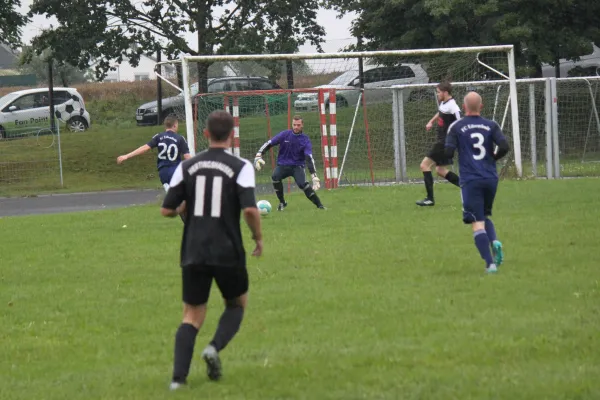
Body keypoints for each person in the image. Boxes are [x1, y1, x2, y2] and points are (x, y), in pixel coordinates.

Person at [161, 110, 263, 390]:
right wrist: (258, 238)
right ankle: (214, 348)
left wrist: (185, 206)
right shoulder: (241, 166)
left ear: (205, 134)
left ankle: (178, 381)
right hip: (228, 250)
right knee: (236, 305)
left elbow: (167, 209)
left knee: (192, 315)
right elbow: (251, 210)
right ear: (231, 135)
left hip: (193, 250)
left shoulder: (187, 167)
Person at [445, 91, 509, 273]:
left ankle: (490, 264)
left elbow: (448, 152)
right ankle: (494, 240)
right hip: (490, 178)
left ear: (464, 107)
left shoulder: (456, 127)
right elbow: (504, 146)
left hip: (470, 179)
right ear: (481, 106)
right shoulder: (491, 125)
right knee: (484, 215)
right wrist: (494, 158)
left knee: (476, 222)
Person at [253, 115, 325, 211]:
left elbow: (309, 157)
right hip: (283, 165)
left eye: (298, 125)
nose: (296, 127)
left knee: (302, 185)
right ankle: (282, 202)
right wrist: (259, 154)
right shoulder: (284, 134)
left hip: (297, 167)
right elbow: (269, 143)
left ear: (302, 125)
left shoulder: (305, 139)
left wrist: (314, 176)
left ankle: (320, 206)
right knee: (275, 177)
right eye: (294, 125)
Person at [416, 81, 462, 206]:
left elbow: (460, 121)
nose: (437, 94)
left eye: (438, 92)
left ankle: (430, 199)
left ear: (445, 93)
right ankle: (468, 187)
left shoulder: (453, 106)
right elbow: (440, 112)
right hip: (442, 141)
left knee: (424, 165)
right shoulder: (444, 103)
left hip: (444, 142)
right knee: (441, 170)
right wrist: (431, 121)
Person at [117, 115, 191, 191]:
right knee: (183, 195)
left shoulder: (158, 137)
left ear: (165, 126)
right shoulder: (180, 138)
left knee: (172, 197)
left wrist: (127, 156)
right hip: (176, 170)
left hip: (163, 172)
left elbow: (144, 148)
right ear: (175, 125)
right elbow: (187, 156)